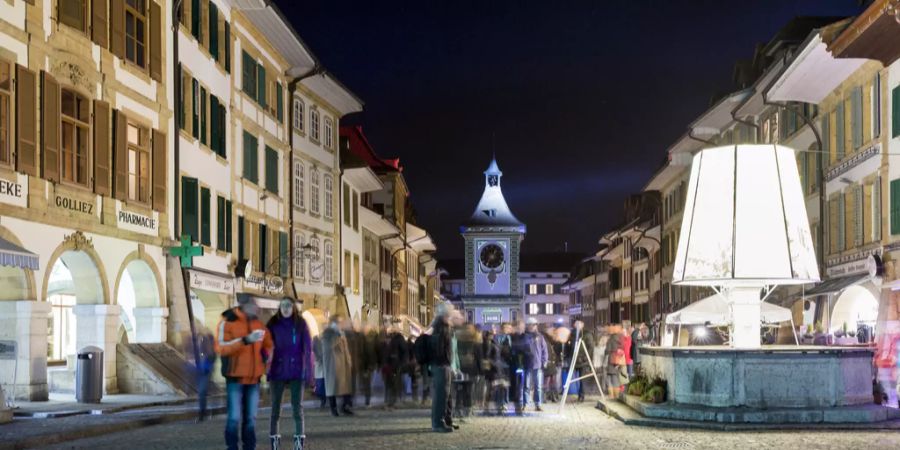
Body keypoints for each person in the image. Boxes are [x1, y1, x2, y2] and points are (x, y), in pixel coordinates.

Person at [215, 294, 273, 450]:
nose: (257, 308)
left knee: (251, 418)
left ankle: (250, 446)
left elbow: (268, 344)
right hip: (235, 378)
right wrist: (245, 340)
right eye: (254, 305)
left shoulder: (259, 325)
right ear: (244, 306)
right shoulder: (228, 322)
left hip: (254, 379)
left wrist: (266, 356)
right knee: (234, 417)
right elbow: (221, 347)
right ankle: (232, 447)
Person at [266, 298, 312, 450]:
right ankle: (274, 443)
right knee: (275, 408)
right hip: (277, 369)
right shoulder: (272, 323)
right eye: (283, 305)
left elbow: (308, 348)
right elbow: (264, 345)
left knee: (297, 408)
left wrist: (309, 373)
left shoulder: (300, 324)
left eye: (288, 306)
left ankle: (299, 443)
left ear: (293, 308)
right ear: (279, 307)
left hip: (296, 370)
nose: (285, 308)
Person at [428, 303, 455, 432]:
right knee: (441, 394)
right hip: (441, 364)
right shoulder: (440, 327)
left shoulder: (439, 325)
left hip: (441, 364)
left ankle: (442, 420)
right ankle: (438, 423)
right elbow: (440, 348)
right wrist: (445, 361)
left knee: (444, 394)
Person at [183, 322, 216, 422]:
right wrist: (190, 358)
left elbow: (211, 354)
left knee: (202, 391)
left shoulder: (206, 339)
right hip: (194, 369)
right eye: (193, 328)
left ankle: (202, 412)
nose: (194, 330)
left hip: (204, 369)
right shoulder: (189, 340)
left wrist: (206, 361)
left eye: (196, 328)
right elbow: (186, 351)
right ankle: (203, 409)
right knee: (200, 391)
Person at [322, 315, 354, 417]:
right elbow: (329, 346)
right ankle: (333, 408)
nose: (341, 324)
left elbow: (345, 349)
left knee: (345, 387)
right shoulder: (328, 332)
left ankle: (345, 407)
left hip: (343, 366)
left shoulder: (341, 333)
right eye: (339, 322)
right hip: (333, 364)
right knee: (332, 388)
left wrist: (349, 361)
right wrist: (338, 336)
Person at [454, 323, 482, 417]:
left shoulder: (476, 343)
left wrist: (479, 372)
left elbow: (479, 358)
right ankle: (458, 408)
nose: (468, 331)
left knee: (468, 390)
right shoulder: (458, 342)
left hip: (471, 370)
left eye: (470, 329)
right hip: (460, 369)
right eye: (466, 329)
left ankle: (467, 409)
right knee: (459, 390)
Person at [564, 320, 594, 402]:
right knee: (572, 377)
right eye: (576, 323)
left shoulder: (587, 334)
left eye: (579, 323)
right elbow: (568, 346)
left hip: (582, 360)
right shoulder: (572, 334)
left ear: (582, 324)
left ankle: (581, 395)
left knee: (582, 379)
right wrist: (566, 356)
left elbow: (591, 348)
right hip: (573, 359)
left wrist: (585, 358)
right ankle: (572, 393)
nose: (577, 325)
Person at [522, 318, 548, 412]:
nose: (533, 326)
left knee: (538, 386)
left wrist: (544, 361)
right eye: (532, 324)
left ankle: (538, 404)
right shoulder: (524, 337)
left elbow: (544, 349)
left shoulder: (540, 337)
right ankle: (525, 404)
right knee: (526, 386)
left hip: (537, 365)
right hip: (527, 365)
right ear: (528, 325)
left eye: (534, 325)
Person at [509, 320, 533, 415]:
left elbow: (529, 350)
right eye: (519, 327)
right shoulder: (512, 337)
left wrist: (522, 350)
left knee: (525, 386)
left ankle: (524, 404)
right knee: (517, 387)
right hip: (515, 364)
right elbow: (513, 348)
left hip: (525, 364)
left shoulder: (527, 337)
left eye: (521, 327)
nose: (520, 328)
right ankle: (518, 405)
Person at [383, 322, 407, 408]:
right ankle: (392, 400)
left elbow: (404, 351)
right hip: (391, 364)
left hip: (396, 364)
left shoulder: (399, 339)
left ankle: (396, 400)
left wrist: (402, 362)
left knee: (396, 383)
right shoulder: (392, 338)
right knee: (391, 383)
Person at [359, 325, 379, 407]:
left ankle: (367, 401)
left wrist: (368, 366)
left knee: (367, 383)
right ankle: (367, 400)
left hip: (368, 365)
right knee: (366, 383)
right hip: (367, 364)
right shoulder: (366, 339)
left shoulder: (369, 340)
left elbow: (368, 354)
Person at [605, 324, 626, 399]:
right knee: (616, 377)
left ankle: (612, 396)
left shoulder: (611, 338)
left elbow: (607, 350)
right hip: (619, 360)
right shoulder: (621, 337)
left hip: (612, 359)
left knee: (610, 378)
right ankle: (616, 395)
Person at [312, 335, 326, 409]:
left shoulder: (317, 348)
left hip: (320, 371)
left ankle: (323, 402)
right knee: (320, 387)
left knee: (320, 387)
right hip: (320, 371)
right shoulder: (319, 347)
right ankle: (323, 401)